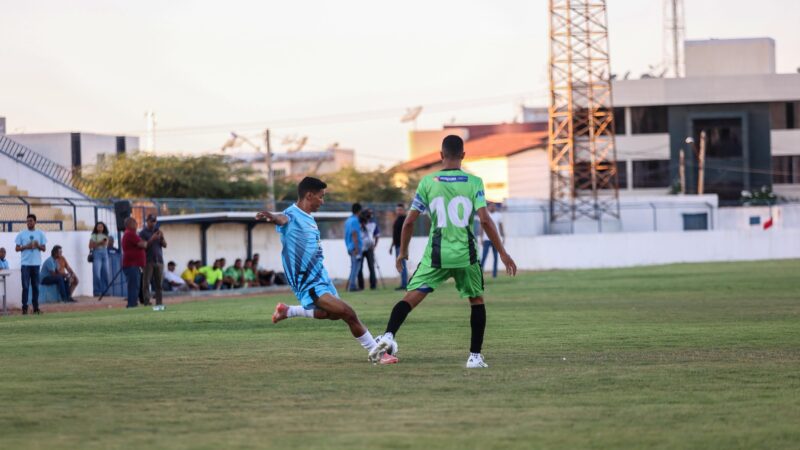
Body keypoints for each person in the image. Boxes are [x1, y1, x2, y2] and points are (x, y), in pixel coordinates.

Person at [369, 135, 517, 368]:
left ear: (441, 155)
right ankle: (474, 357)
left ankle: (388, 335)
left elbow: (408, 222)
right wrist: (502, 253)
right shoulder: (474, 182)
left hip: (436, 255)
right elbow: (485, 220)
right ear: (463, 155)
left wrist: (403, 252)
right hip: (465, 255)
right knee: (476, 301)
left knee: (411, 297)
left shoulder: (428, 182)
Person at [257, 176, 396, 364]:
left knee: (331, 314)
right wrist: (273, 217)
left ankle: (288, 311)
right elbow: (282, 219)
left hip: (321, 276)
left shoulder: (308, 217)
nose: (322, 201)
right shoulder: (291, 214)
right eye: (321, 197)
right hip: (308, 281)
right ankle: (377, 353)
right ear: (309, 195)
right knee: (348, 313)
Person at [15, 214, 46, 315]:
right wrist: (26, 246)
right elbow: (17, 248)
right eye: (27, 221)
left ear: (35, 222)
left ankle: (36, 308)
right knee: (25, 286)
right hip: (25, 264)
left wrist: (38, 246)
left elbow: (44, 248)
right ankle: (24, 308)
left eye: (31, 221)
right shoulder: (21, 234)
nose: (29, 223)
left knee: (36, 286)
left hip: (36, 264)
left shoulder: (40, 234)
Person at [139, 214, 167, 310]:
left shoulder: (158, 231)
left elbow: (165, 245)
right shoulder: (142, 233)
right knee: (146, 283)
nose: (153, 223)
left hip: (159, 260)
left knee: (159, 284)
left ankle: (159, 302)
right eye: (151, 221)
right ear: (147, 221)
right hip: (148, 261)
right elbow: (144, 246)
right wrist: (152, 238)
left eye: (154, 221)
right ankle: (147, 302)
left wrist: (162, 238)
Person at [121, 217, 147, 309]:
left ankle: (133, 303)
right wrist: (145, 242)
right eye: (135, 222)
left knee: (135, 285)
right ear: (130, 224)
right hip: (132, 264)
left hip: (133, 264)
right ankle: (132, 304)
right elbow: (143, 244)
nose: (136, 224)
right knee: (133, 286)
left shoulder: (131, 234)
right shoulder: (130, 234)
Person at [479, 202, 505, 279]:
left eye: (494, 206)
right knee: (484, 256)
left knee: (496, 257)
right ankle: (480, 273)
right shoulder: (485, 215)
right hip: (486, 239)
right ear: (488, 207)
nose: (492, 207)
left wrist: (503, 237)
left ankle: (494, 275)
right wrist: (481, 237)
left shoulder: (499, 215)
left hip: (496, 239)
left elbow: (501, 227)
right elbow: (482, 227)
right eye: (491, 206)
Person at [89, 222, 113, 296]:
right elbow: (91, 246)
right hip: (97, 253)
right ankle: (97, 291)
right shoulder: (94, 235)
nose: (100, 228)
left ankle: (105, 291)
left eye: (101, 226)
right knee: (96, 273)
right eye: (98, 226)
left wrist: (97, 243)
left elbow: (105, 243)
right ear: (96, 228)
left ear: (103, 228)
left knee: (105, 273)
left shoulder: (106, 235)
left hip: (104, 254)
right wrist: (100, 243)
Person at [357, 209, 378, 290]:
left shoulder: (373, 224)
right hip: (360, 248)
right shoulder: (358, 224)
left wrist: (375, 245)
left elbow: (377, 235)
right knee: (359, 268)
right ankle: (361, 286)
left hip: (369, 248)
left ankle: (373, 285)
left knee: (371, 267)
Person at [344, 202, 363, 291]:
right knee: (356, 267)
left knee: (353, 267)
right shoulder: (355, 220)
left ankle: (351, 285)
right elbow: (354, 233)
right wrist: (356, 248)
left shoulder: (348, 220)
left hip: (349, 246)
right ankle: (352, 286)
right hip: (355, 247)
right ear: (359, 211)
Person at [390, 203, 408, 290]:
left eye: (400, 210)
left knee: (402, 265)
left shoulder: (405, 220)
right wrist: (391, 246)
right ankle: (403, 283)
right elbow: (395, 235)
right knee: (400, 265)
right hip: (397, 245)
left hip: (401, 246)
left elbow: (406, 234)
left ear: (404, 210)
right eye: (397, 210)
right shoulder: (397, 220)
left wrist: (405, 247)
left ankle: (404, 284)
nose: (398, 211)